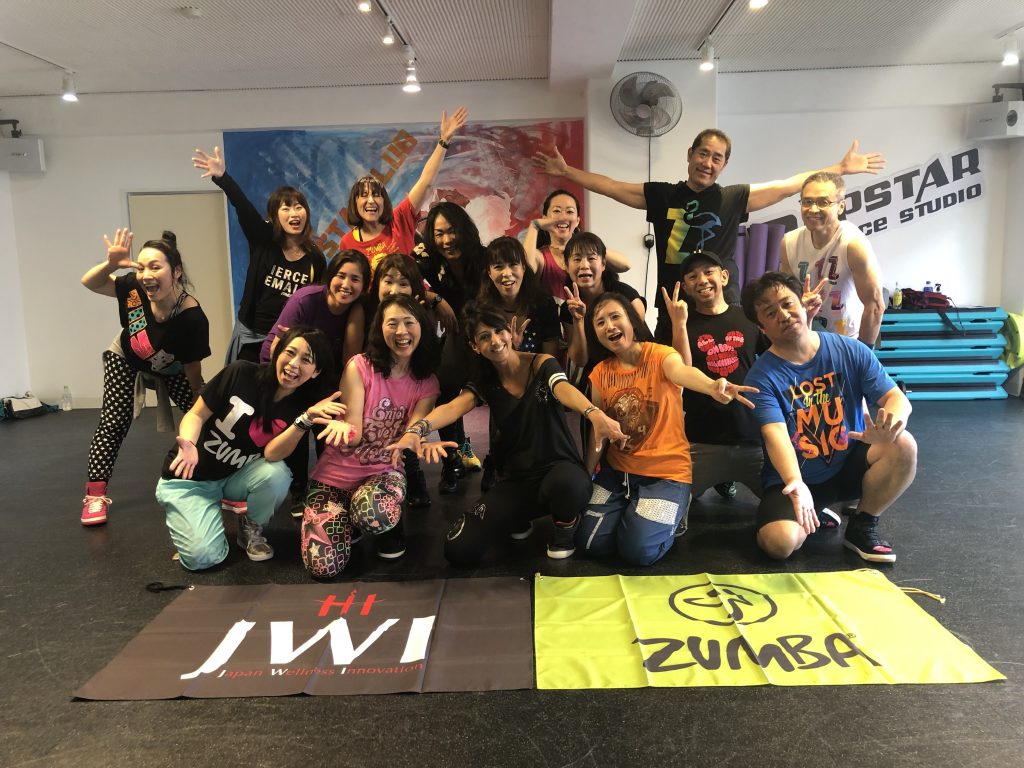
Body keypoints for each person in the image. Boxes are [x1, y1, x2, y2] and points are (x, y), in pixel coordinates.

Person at [533, 130, 885, 342]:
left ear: (723, 165)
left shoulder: (732, 198)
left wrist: (839, 169)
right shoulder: (662, 195)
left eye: (717, 158)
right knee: (674, 379)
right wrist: (567, 172)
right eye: (703, 153)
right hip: (673, 304)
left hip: (723, 305)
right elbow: (611, 186)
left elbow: (787, 185)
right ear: (690, 155)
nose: (708, 162)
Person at [388, 302, 628, 563]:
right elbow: (454, 407)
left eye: (498, 331)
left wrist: (592, 412)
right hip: (518, 481)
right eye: (484, 337)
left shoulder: (541, 363)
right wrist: (417, 429)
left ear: (509, 333)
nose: (495, 340)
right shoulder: (485, 381)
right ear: (475, 347)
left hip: (561, 470)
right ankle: (519, 517)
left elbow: (562, 388)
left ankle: (565, 526)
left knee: (569, 487)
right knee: (459, 549)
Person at [740, 272, 917, 563]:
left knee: (903, 444)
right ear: (762, 327)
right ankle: (812, 511)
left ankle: (862, 525)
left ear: (802, 304)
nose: (783, 315)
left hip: (848, 466)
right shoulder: (761, 377)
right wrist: (795, 483)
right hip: (797, 480)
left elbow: (896, 399)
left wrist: (889, 426)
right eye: (771, 313)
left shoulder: (849, 349)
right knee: (779, 544)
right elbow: (775, 435)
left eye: (787, 303)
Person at [578, 292, 757, 566]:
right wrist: (586, 475)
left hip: (665, 475)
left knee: (638, 551)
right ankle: (636, 514)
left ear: (632, 321)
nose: (609, 326)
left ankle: (671, 516)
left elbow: (682, 372)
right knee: (589, 542)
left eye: (615, 316)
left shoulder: (660, 355)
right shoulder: (600, 372)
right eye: (600, 322)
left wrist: (711, 386)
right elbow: (597, 432)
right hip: (618, 475)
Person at [155, 327, 342, 569]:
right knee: (203, 558)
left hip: (232, 476)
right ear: (277, 352)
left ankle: (250, 527)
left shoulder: (300, 404)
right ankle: (198, 520)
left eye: (306, 360)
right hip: (189, 477)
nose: (293, 364)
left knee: (277, 474)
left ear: (316, 371)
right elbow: (196, 415)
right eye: (290, 352)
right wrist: (189, 443)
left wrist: (304, 420)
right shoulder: (241, 372)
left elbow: (272, 454)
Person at [300, 295, 441, 578]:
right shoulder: (360, 366)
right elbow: (353, 434)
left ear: (422, 327)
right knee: (323, 567)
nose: (401, 331)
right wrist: (344, 429)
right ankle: (348, 521)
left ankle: (380, 524)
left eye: (409, 322)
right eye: (392, 323)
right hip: (333, 477)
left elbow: (413, 430)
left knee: (374, 513)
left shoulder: (427, 383)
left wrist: (419, 440)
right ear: (380, 329)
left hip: (383, 473)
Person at [80, 229, 210, 526]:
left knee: (204, 417)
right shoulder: (133, 288)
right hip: (126, 356)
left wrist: (197, 402)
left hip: (171, 368)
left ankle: (219, 480)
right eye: (141, 267)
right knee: (114, 420)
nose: (147, 275)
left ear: (176, 272)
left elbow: (193, 367)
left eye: (155, 267)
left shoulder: (191, 317)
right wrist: (111, 264)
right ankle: (95, 496)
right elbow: (90, 282)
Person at [258, 249, 370, 512]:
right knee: (296, 422)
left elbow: (350, 359)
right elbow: (278, 348)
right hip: (285, 369)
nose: (346, 284)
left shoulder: (357, 310)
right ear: (330, 276)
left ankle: (326, 484)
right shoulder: (306, 300)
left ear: (364, 285)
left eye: (355, 279)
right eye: (341, 275)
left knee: (327, 423)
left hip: (320, 373)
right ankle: (298, 489)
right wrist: (286, 384)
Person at [192, 146, 325, 363]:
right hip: (250, 336)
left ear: (306, 214)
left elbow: (314, 303)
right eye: (286, 208)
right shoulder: (263, 239)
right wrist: (223, 178)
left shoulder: (315, 258)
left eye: (299, 207)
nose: (294, 213)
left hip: (288, 340)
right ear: (274, 216)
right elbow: (242, 206)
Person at [674, 250, 767, 508]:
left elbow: (779, 357)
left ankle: (726, 478)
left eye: (708, 272)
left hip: (751, 437)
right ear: (686, 288)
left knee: (785, 505)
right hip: (701, 439)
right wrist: (678, 325)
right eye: (692, 276)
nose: (702, 280)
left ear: (724, 277)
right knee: (671, 509)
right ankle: (721, 478)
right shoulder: (681, 324)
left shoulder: (748, 318)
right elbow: (681, 373)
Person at [418, 202, 488, 490]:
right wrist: (435, 299)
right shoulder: (429, 259)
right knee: (444, 389)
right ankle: (452, 459)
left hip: (488, 338)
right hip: (457, 336)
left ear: (464, 230)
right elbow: (404, 275)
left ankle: (500, 462)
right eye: (439, 233)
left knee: (498, 393)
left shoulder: (484, 257)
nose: (447, 240)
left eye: (452, 231)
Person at [780, 172, 885, 345]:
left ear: (841, 206)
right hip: (806, 338)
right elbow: (787, 297)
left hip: (848, 341)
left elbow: (875, 306)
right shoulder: (789, 243)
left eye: (823, 202)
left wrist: (863, 353)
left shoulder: (853, 244)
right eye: (807, 202)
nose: (813, 209)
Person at [365, 253, 432, 509]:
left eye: (403, 283)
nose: (395, 290)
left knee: (409, 422)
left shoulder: (421, 313)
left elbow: (427, 357)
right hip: (373, 381)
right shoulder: (365, 310)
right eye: (388, 281)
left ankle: (412, 472)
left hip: (410, 385)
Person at [560, 231, 647, 376]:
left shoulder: (626, 294)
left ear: (603, 264)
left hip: (638, 367)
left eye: (591, 258)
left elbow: (639, 336)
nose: (584, 265)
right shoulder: (568, 308)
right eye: (577, 259)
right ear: (567, 266)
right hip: (599, 375)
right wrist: (578, 320)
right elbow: (580, 360)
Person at [522, 189, 630, 299]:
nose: (563, 217)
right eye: (557, 211)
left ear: (577, 220)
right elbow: (525, 270)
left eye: (569, 212)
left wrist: (587, 247)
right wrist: (535, 225)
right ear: (544, 218)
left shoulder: (591, 254)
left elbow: (625, 265)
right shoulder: (541, 256)